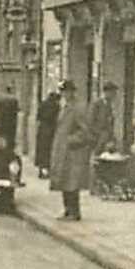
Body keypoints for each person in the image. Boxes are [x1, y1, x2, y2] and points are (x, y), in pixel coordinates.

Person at [48, 79, 95, 221]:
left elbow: (85, 132)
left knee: (71, 183)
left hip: (73, 153)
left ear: (71, 92)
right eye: (62, 91)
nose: (64, 94)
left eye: (66, 91)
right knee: (64, 181)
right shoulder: (65, 107)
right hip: (62, 152)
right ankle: (67, 210)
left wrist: (70, 140)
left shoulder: (78, 108)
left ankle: (74, 212)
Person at [34, 87, 62, 179]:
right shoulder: (56, 106)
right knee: (49, 151)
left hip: (42, 130)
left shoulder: (43, 104)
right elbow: (58, 119)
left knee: (42, 151)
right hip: (52, 131)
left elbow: (38, 117)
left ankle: (41, 171)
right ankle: (47, 171)